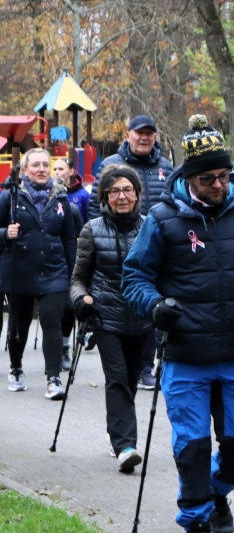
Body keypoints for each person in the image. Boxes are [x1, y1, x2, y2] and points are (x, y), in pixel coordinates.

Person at [122, 114, 234, 533]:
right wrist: (155, 307)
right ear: (189, 178)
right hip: (186, 352)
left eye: (223, 175)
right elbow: (135, 277)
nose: (218, 184)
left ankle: (217, 493)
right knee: (193, 445)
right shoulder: (162, 219)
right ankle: (196, 522)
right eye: (208, 178)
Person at [70, 165, 152, 473]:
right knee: (117, 378)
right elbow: (78, 277)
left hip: (142, 315)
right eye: (114, 191)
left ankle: (118, 434)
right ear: (105, 196)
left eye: (127, 190)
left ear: (136, 194)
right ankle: (125, 446)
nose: (121, 196)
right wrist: (81, 299)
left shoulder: (150, 227)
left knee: (130, 379)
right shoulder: (92, 229)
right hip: (105, 315)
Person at [90, 114, 175, 391]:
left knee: (152, 304)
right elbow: (94, 207)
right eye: (139, 133)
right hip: (116, 247)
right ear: (128, 135)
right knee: (123, 306)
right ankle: (123, 362)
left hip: (157, 248)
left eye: (150, 133)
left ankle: (146, 366)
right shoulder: (111, 164)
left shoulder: (166, 168)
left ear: (155, 137)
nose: (144, 138)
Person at [0, 148, 78, 400]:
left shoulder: (62, 199)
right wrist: (4, 234)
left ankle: (53, 378)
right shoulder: (9, 198)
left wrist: (72, 275)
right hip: (18, 270)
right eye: (36, 165)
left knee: (51, 321)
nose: (42, 169)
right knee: (19, 323)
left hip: (54, 271)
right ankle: (16, 368)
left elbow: (69, 239)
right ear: (25, 170)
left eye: (46, 164)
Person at [52, 155, 86, 371]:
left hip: (70, 258)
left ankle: (64, 345)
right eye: (53, 168)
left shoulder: (80, 197)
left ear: (71, 170)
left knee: (68, 306)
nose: (56, 172)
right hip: (47, 260)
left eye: (60, 168)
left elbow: (84, 228)